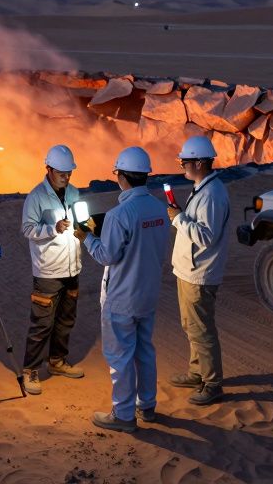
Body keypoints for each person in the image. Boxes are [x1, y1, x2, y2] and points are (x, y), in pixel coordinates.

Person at [75, 146, 172, 432]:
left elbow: (107, 256)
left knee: (120, 357)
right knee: (144, 351)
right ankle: (148, 405)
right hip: (147, 294)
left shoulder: (120, 214)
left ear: (123, 176)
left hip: (122, 298)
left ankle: (123, 415)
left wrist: (86, 238)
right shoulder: (158, 208)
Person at [167, 135, 232, 405]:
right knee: (191, 326)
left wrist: (179, 218)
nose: (182, 165)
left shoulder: (213, 195)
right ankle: (198, 372)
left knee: (201, 329)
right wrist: (181, 216)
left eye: (185, 161)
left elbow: (206, 236)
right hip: (188, 270)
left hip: (200, 274)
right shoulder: (202, 188)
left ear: (200, 162)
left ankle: (212, 383)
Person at [19, 144, 86, 395]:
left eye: (69, 172)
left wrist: (87, 228)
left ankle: (57, 362)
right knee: (42, 324)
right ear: (48, 169)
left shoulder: (75, 193)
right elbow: (27, 230)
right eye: (61, 172)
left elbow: (80, 222)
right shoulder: (36, 197)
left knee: (66, 320)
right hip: (48, 272)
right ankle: (31, 370)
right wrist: (52, 228)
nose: (66, 176)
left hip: (72, 269)